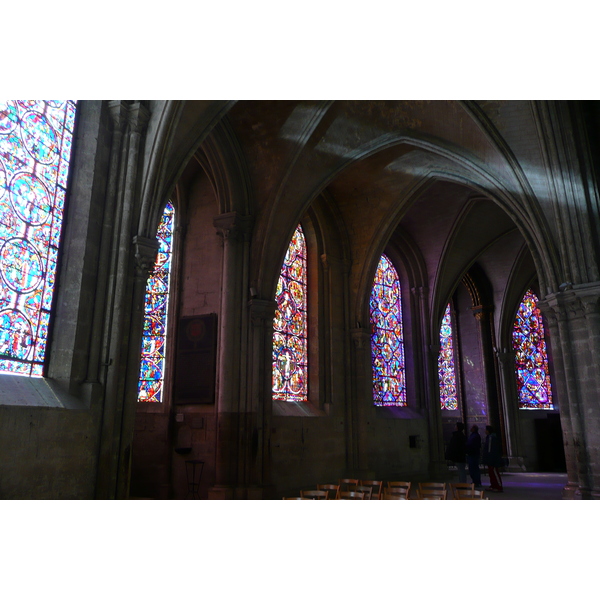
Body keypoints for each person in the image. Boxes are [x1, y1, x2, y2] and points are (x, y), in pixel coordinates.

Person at [482, 425, 504, 492]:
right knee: (491, 473)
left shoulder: (492, 438)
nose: (485, 431)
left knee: (494, 472)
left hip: (492, 458)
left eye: (486, 430)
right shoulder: (489, 437)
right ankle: (493, 485)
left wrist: (490, 458)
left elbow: (490, 450)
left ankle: (499, 486)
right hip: (490, 458)